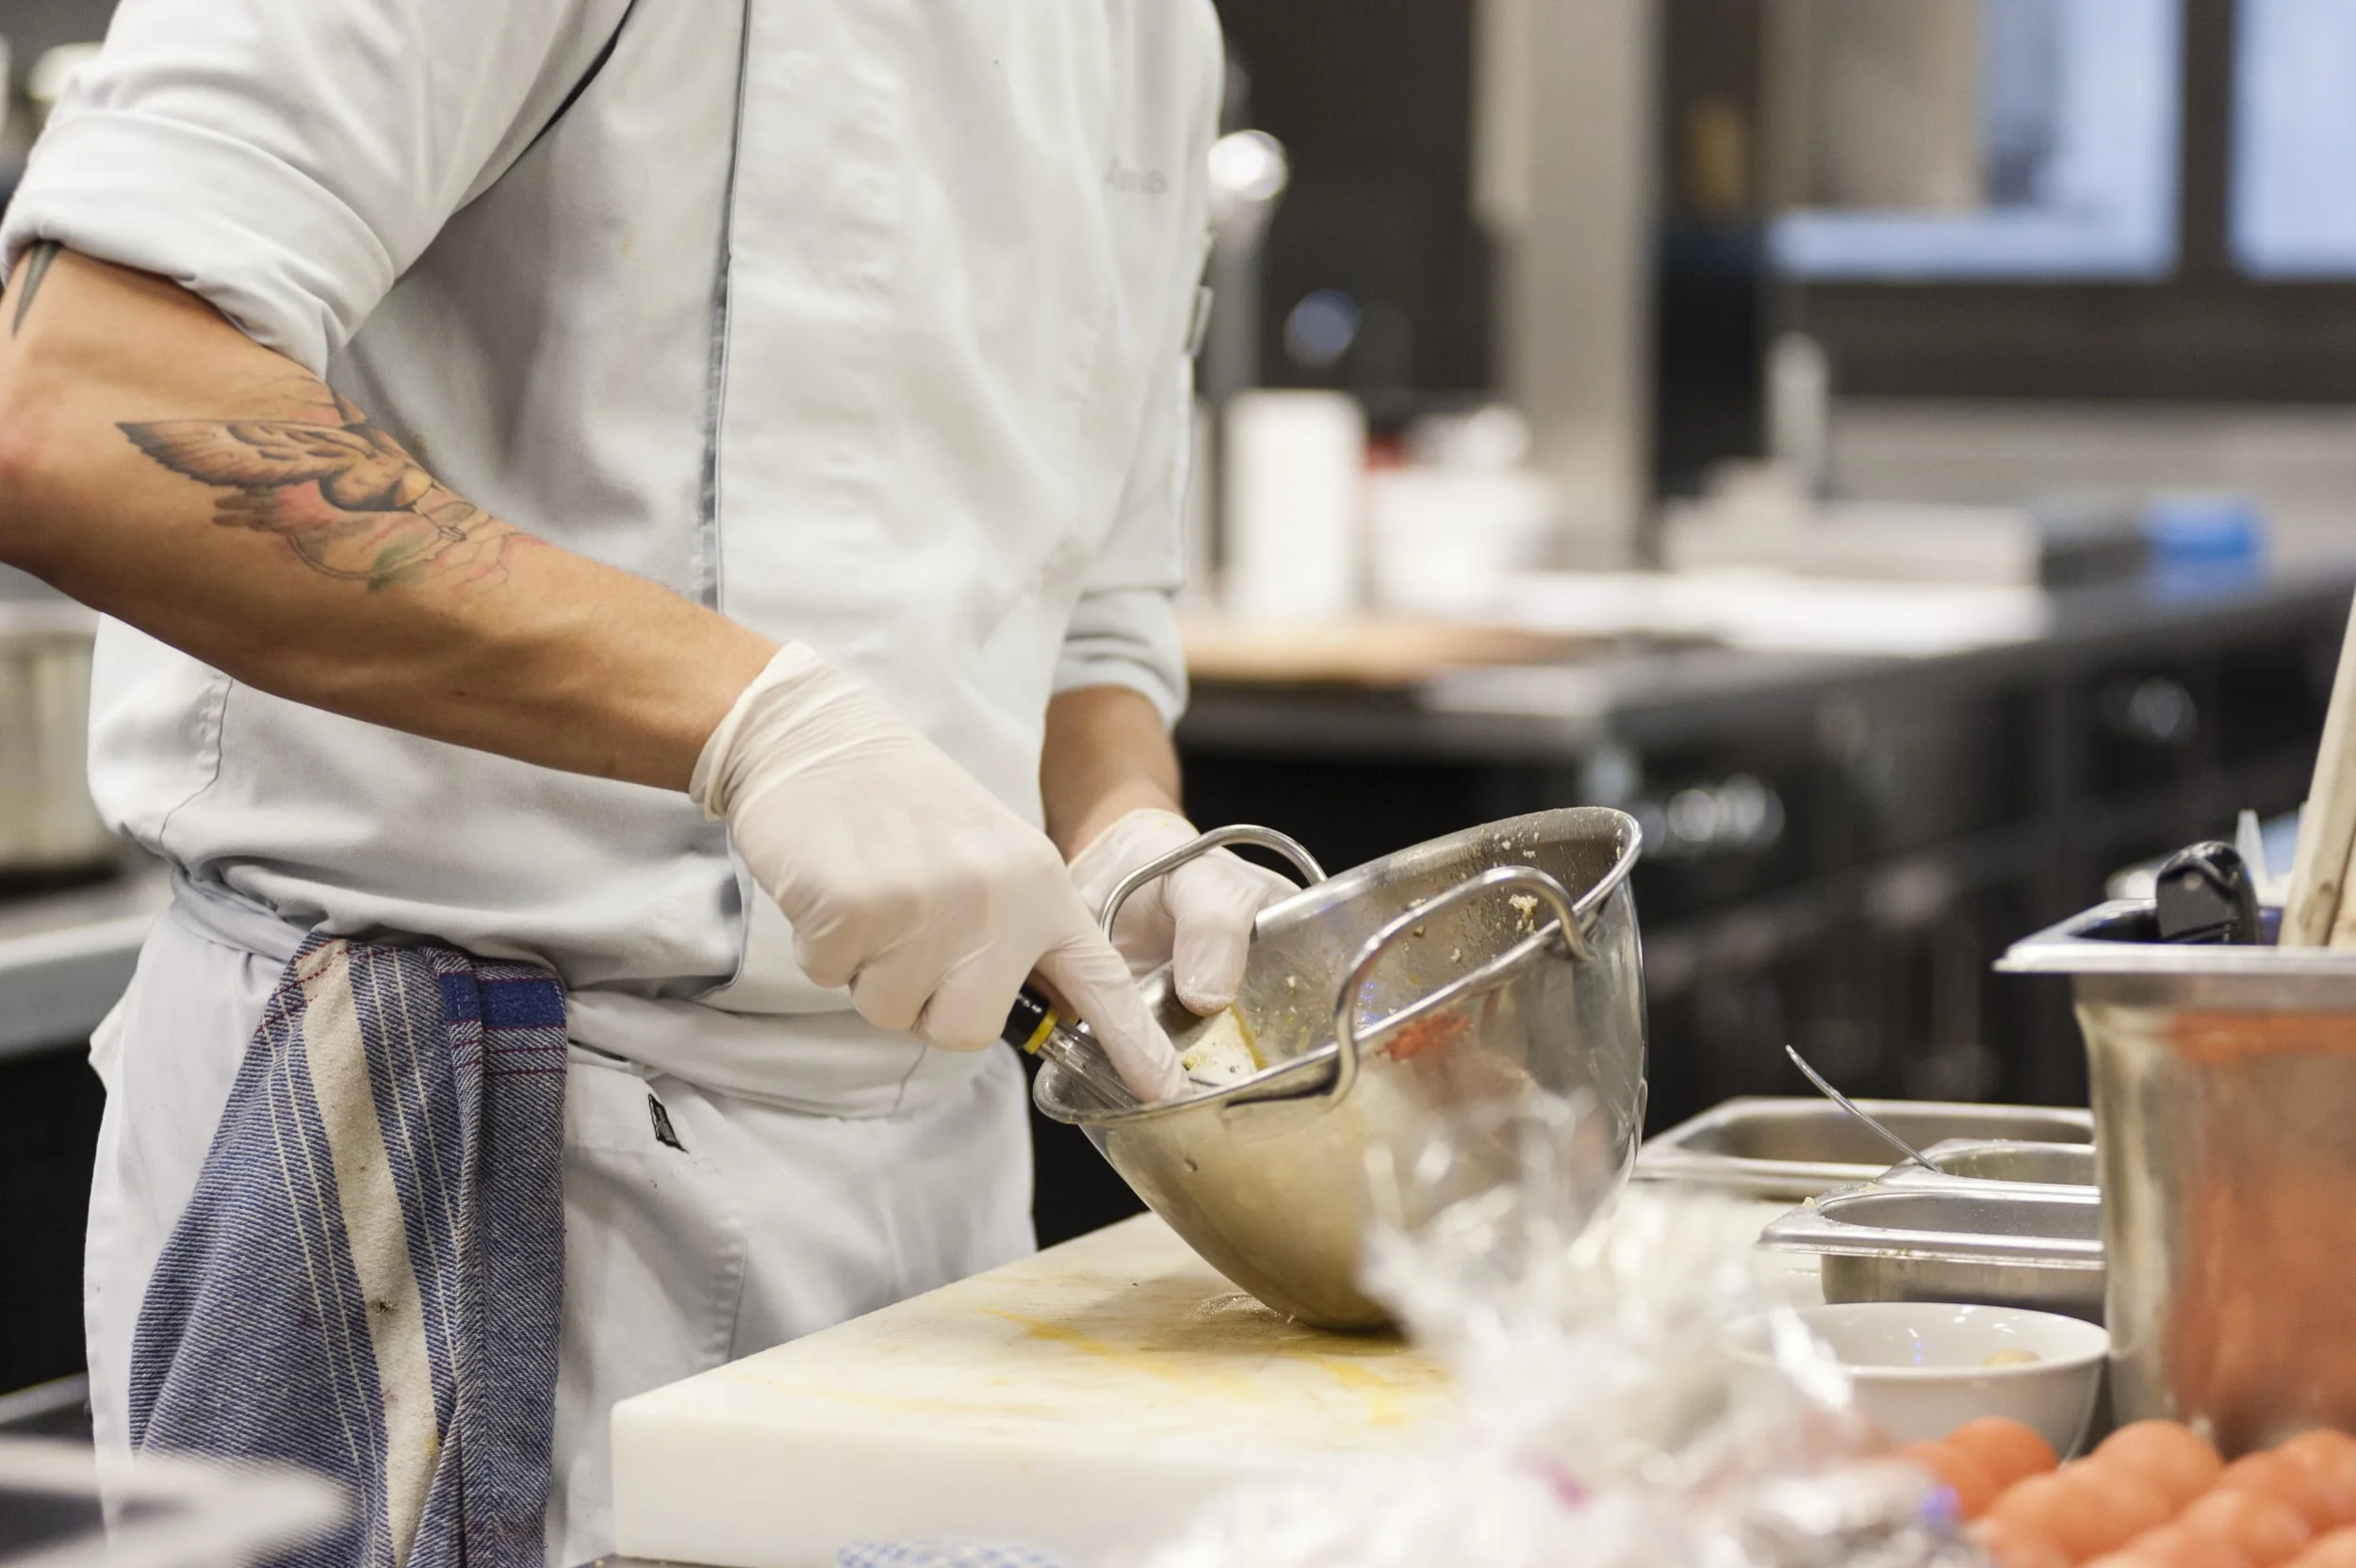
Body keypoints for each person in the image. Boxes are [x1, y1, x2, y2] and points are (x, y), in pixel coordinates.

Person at [0, 0, 1291, 1558]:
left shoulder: (1150, 29)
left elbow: (1092, 594)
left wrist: (1123, 832)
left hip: (939, 1201)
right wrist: (749, 717)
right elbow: (82, 407)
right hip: (461, 1160)